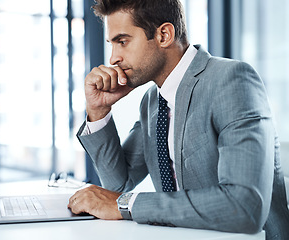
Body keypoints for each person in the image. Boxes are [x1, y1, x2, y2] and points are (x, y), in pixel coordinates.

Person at [67, 0, 289, 239]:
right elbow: (118, 186)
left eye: (123, 42)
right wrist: (98, 111)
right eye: (112, 44)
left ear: (164, 35)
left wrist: (128, 205)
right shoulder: (153, 100)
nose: (113, 59)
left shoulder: (231, 80)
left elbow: (244, 207)